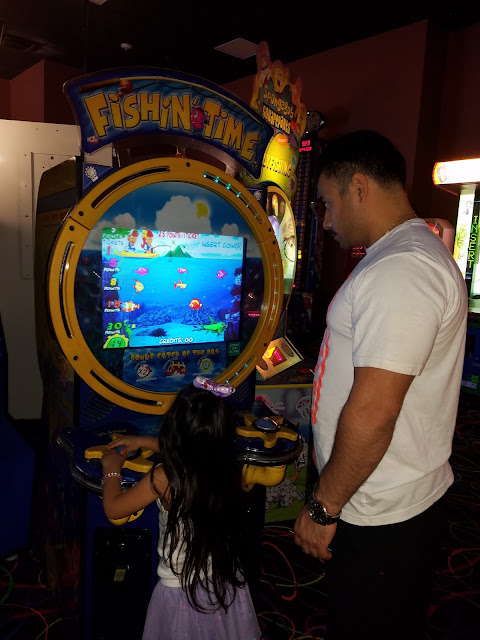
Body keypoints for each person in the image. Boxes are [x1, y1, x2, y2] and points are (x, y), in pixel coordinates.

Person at [293, 130, 467, 640]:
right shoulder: (403, 254)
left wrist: (323, 505)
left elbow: (374, 411)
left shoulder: (401, 269)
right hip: (387, 495)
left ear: (359, 187)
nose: (326, 220)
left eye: (327, 203)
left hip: (380, 509)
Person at [101, 379, 261, 640]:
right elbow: (195, 449)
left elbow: (114, 509)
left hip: (180, 595)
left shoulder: (165, 477)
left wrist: (112, 469)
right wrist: (144, 441)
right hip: (222, 581)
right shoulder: (226, 465)